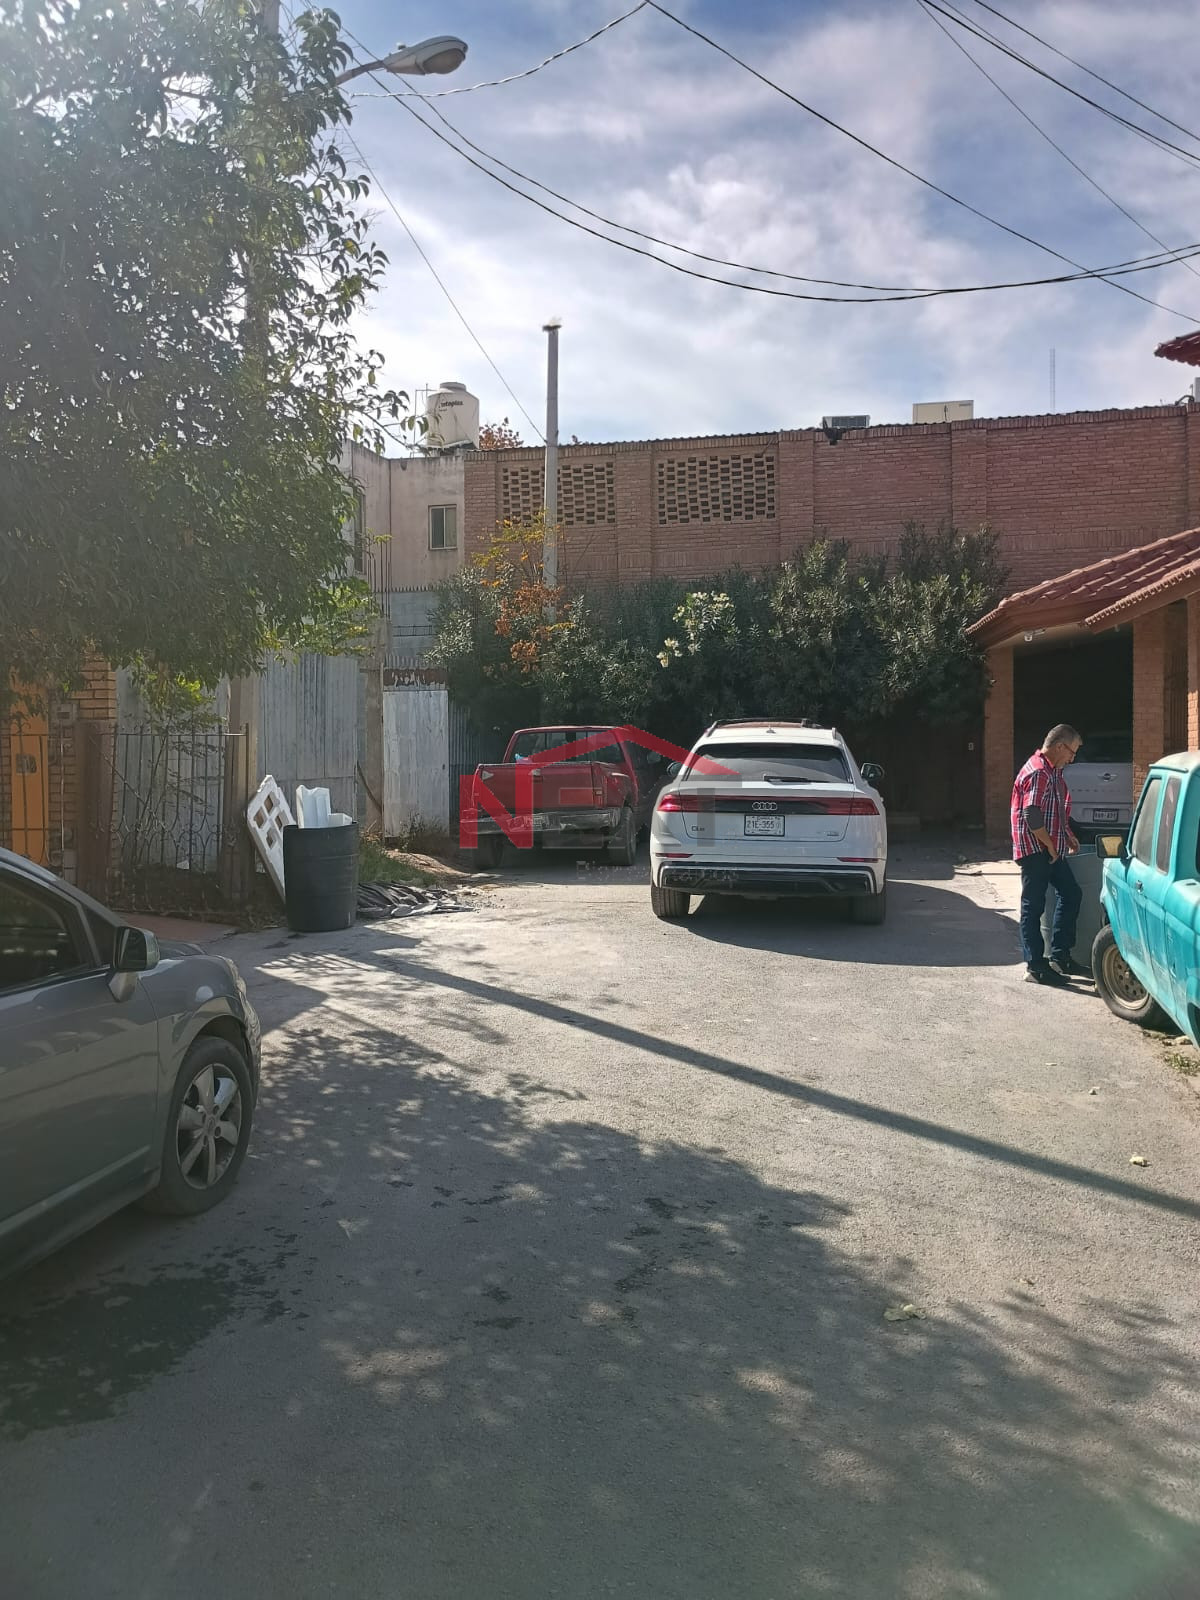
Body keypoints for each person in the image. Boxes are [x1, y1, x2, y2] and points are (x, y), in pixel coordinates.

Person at [1011, 724, 1087, 986]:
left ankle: (1060, 956)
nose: (1072, 759)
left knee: (1071, 893)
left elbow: (1054, 809)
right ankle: (1035, 967)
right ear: (1059, 746)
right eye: (1072, 752)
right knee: (1033, 906)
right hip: (1035, 850)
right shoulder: (1038, 772)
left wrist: (1067, 835)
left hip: (1049, 848)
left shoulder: (1052, 771)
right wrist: (1051, 846)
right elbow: (1032, 815)